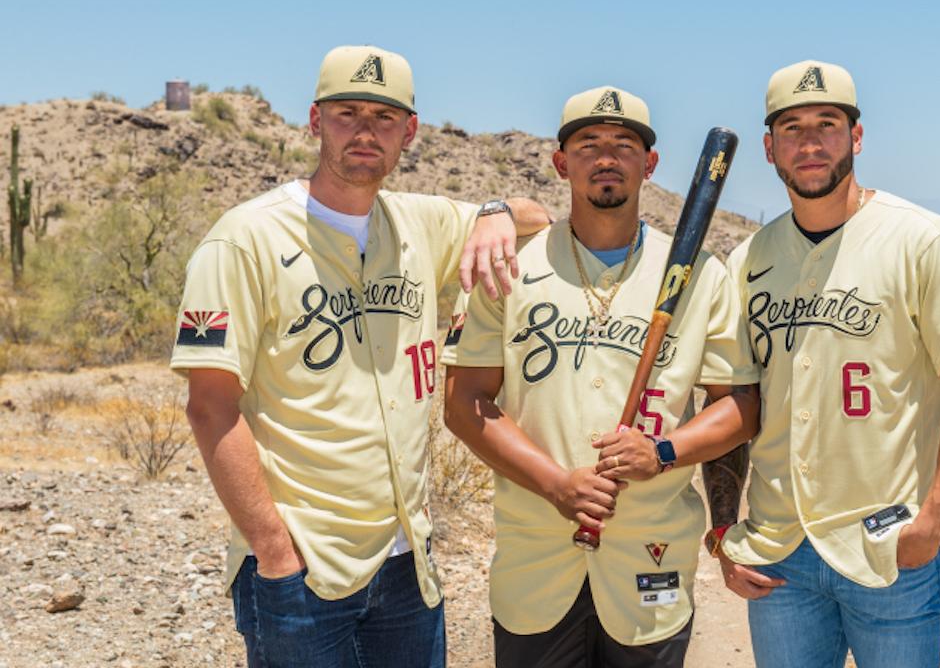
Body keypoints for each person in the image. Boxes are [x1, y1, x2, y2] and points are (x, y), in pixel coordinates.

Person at [171, 45, 549, 668]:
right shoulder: (244, 238)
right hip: (301, 566)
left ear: (411, 131)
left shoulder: (420, 222)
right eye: (347, 113)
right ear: (316, 121)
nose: (366, 131)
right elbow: (210, 408)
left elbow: (537, 216)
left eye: (385, 116)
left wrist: (494, 213)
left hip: (407, 563)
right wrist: (273, 550)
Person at [702, 60, 940, 668]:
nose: (810, 143)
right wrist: (722, 531)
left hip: (889, 548)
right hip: (780, 551)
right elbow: (730, 405)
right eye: (791, 128)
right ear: (769, 148)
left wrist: (932, 523)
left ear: (857, 137)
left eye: (828, 124)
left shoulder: (923, 242)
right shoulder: (747, 261)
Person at [441, 85, 760, 668]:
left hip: (651, 558)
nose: (606, 157)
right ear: (562, 163)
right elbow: (465, 404)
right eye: (588, 144)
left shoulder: (701, 274)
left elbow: (740, 407)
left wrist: (663, 451)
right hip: (535, 564)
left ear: (650, 164)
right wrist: (557, 485)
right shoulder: (512, 264)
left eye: (624, 144)